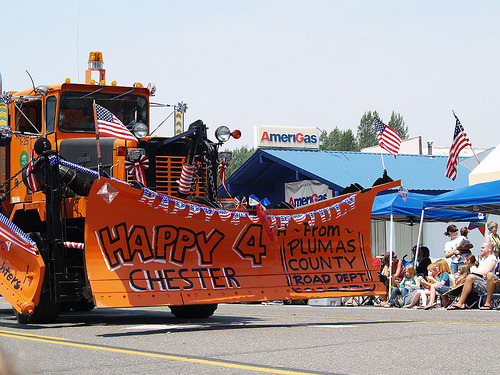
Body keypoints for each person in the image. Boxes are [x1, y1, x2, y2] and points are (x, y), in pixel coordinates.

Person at [448, 242, 497, 310]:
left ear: (490, 249)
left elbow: (485, 272)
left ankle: (488, 303)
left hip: (490, 284)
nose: (481, 249)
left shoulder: (492, 259)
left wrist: (474, 271)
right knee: (468, 277)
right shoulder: (483, 259)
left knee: (486, 275)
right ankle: (460, 303)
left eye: (483, 247)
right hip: (483, 282)